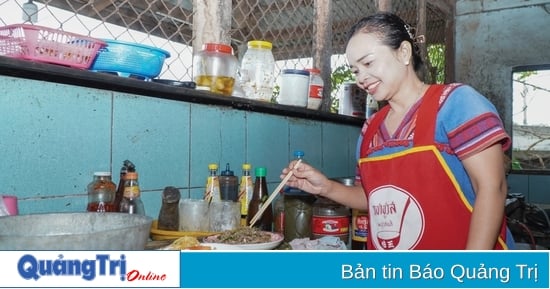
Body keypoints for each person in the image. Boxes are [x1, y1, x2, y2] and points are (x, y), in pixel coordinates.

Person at [281, 12, 515, 250]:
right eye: (355, 70)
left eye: (368, 63)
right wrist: (326, 187)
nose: (361, 77)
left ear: (403, 52)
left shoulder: (455, 104)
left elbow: (492, 187)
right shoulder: (370, 130)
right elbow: (373, 198)